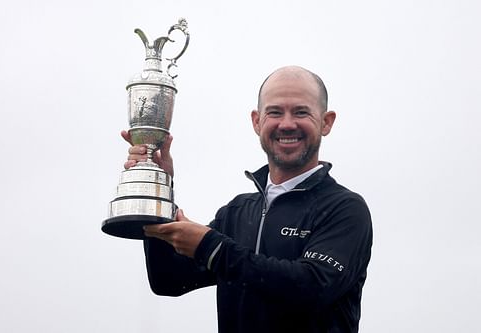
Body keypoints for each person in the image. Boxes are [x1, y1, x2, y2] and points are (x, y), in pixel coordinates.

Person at [122, 66, 373, 332]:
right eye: (274, 112)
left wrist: (212, 247)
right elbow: (168, 280)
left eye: (301, 112)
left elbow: (311, 287)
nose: (287, 124)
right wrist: (158, 191)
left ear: (326, 122)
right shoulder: (237, 212)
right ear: (257, 121)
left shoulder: (345, 209)